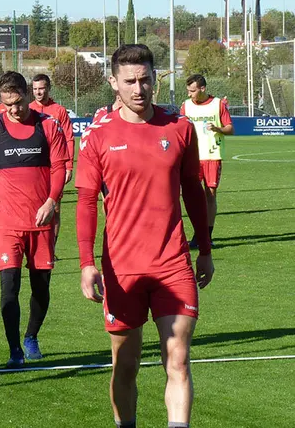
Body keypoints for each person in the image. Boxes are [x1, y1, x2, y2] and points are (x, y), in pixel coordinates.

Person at [75, 45, 215, 428]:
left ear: (155, 79)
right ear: (113, 83)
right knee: (126, 365)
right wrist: (87, 264)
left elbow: (193, 191)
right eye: (130, 81)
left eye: (146, 80)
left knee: (178, 358)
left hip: (173, 265)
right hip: (122, 269)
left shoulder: (179, 127)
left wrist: (204, 248)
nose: (139, 89)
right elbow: (86, 203)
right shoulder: (96, 137)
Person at [0, 71, 68, 367]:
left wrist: (52, 201)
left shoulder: (49, 126)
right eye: (8, 104)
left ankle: (31, 336)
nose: (15, 109)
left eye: (19, 101)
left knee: (41, 286)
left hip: (41, 223)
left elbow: (60, 168)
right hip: (6, 223)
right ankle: (15, 350)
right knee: (9, 286)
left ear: (27, 94)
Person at [180, 74, 234, 248]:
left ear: (202, 88)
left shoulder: (218, 104)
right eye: (188, 90)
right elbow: (180, 130)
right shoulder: (186, 106)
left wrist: (218, 128)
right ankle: (198, 234)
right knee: (192, 197)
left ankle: (206, 236)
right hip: (192, 158)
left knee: (210, 196)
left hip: (212, 156)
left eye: (193, 91)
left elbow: (230, 129)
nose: (190, 94)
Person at [29, 74, 75, 247]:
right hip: (35, 166)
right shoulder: (29, 109)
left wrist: (68, 166)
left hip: (56, 166)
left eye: (41, 88)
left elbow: (69, 138)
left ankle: (50, 247)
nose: (38, 92)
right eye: (35, 89)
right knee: (33, 205)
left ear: (48, 88)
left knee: (54, 208)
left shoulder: (59, 111)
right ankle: (35, 245)